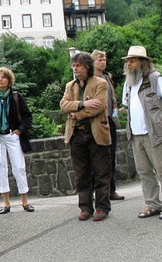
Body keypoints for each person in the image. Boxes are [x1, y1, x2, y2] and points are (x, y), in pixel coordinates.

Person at [120, 46, 162, 219]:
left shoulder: (155, 78)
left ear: (142, 62)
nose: (128, 64)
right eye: (127, 61)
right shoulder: (128, 83)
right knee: (144, 172)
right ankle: (152, 204)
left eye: (132, 60)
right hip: (136, 135)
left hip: (155, 133)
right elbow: (126, 106)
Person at [60, 52, 111, 222]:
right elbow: (64, 105)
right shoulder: (70, 86)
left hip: (96, 132)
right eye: (73, 65)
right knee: (81, 173)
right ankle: (85, 207)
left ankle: (102, 207)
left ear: (87, 66)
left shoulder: (100, 83)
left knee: (101, 172)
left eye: (78, 65)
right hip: (76, 135)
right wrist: (83, 104)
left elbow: (98, 107)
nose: (75, 68)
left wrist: (77, 114)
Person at [0, 67, 34, 214]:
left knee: (19, 167)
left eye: (3, 77)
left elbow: (28, 116)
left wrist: (20, 130)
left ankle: (25, 201)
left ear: (9, 80)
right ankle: (6, 203)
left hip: (12, 136)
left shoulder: (16, 96)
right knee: (0, 169)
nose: (0, 80)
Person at [91, 50, 125, 201]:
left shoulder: (107, 77)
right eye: (99, 60)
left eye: (104, 59)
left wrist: (116, 113)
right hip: (97, 121)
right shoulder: (91, 79)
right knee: (96, 158)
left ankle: (111, 190)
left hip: (109, 119)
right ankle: (96, 191)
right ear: (93, 62)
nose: (103, 62)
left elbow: (113, 98)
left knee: (111, 156)